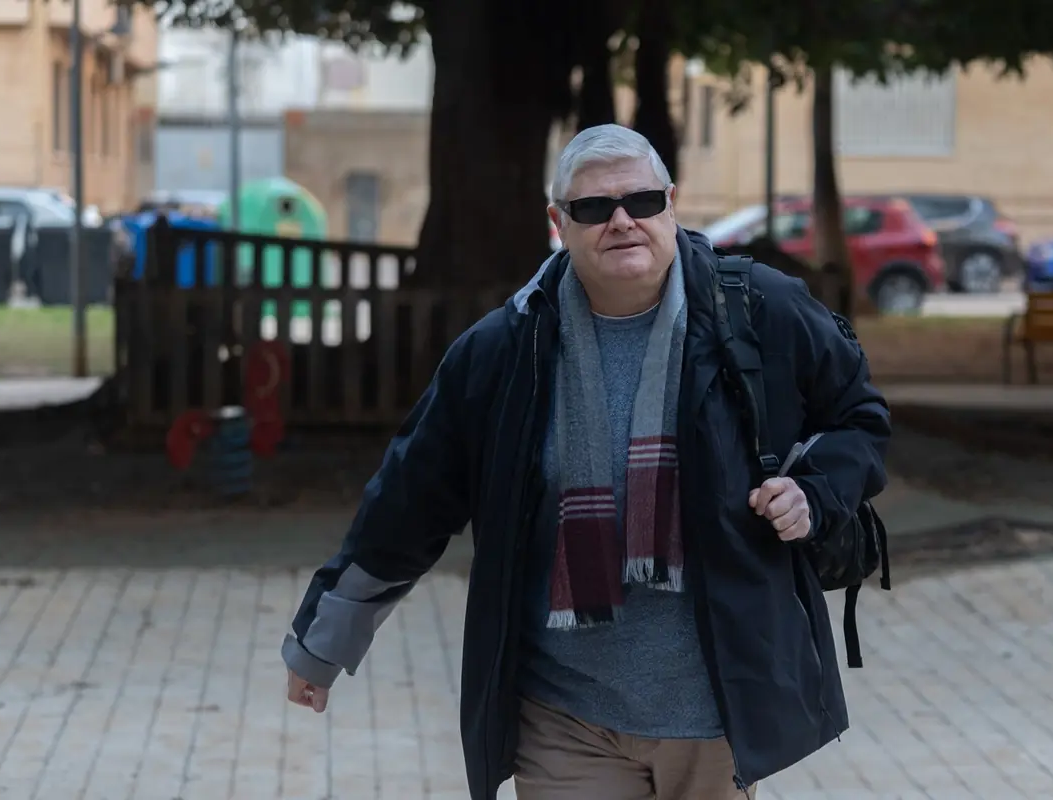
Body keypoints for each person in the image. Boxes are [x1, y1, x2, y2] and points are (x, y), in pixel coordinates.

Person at [281, 124, 890, 800]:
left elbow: (859, 420)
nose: (622, 222)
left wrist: (813, 491)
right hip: (564, 716)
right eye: (594, 208)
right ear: (559, 223)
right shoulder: (504, 351)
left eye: (643, 201)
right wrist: (324, 641)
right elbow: (408, 502)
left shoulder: (757, 311)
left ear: (672, 202)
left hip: (716, 717)